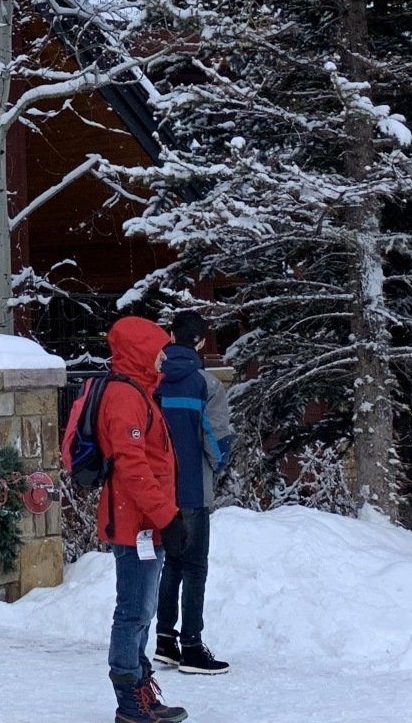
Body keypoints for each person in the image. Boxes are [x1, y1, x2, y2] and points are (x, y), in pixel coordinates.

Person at [97, 315, 190, 723]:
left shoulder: (140, 391)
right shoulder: (125, 397)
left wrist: (166, 517)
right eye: (157, 352)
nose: (163, 360)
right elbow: (132, 466)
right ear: (138, 352)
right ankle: (130, 700)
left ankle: (140, 689)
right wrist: (167, 516)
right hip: (134, 523)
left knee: (143, 609)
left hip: (145, 522)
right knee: (133, 610)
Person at [153, 309, 235, 676]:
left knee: (171, 563)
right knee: (195, 567)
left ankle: (165, 641)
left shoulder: (153, 380)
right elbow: (216, 441)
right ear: (201, 341)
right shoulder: (207, 385)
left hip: (158, 490)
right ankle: (192, 647)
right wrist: (218, 465)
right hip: (192, 489)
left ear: (171, 337)